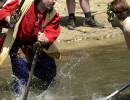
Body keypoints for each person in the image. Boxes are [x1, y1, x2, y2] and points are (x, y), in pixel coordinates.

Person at [0, 0, 60, 93]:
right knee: (21, 75)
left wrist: (45, 39)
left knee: (50, 72)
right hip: (19, 45)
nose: (54, 1)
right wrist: (10, 19)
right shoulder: (24, 3)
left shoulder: (53, 14)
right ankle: (19, 96)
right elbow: (4, 11)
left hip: (38, 46)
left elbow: (53, 32)